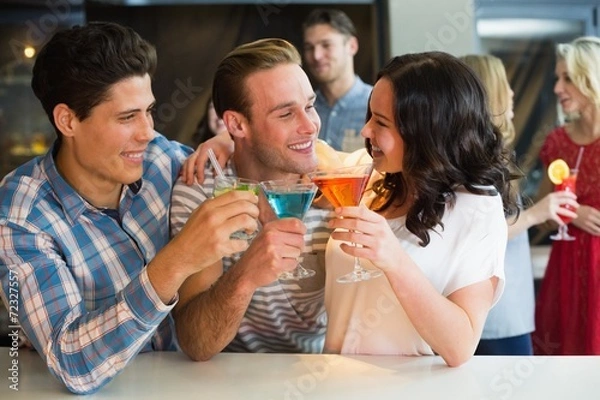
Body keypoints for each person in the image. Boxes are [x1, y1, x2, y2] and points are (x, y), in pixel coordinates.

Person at [0, 22, 258, 394]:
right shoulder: (19, 216)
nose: (148, 132)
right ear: (67, 120)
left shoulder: (163, 162)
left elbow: (258, 176)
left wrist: (234, 142)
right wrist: (179, 258)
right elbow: (72, 364)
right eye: (127, 117)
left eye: (148, 111)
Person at [321, 51, 518, 366]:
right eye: (369, 116)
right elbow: (306, 159)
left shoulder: (477, 208)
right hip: (332, 382)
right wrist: (229, 144)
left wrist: (395, 260)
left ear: (426, 133)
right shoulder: (369, 172)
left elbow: (460, 346)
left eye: (381, 122)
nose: (365, 132)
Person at [170, 38, 333, 361]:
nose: (310, 126)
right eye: (286, 114)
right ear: (236, 124)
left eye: (310, 106)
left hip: (329, 375)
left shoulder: (336, 182)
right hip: (232, 383)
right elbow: (196, 343)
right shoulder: (202, 189)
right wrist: (247, 275)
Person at [460, 54, 578, 355]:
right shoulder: (475, 161)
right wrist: (537, 214)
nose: (513, 94)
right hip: (496, 313)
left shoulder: (487, 153)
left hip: (503, 308)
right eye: (505, 85)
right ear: (488, 93)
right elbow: (478, 232)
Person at [533, 36, 600, 355]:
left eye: (568, 78)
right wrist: (574, 213)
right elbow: (543, 213)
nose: (558, 88)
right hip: (566, 267)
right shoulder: (557, 142)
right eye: (558, 78)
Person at [302, 8, 372, 151]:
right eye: (309, 48)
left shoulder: (376, 106)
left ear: (352, 46)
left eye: (326, 45)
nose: (316, 56)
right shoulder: (303, 110)